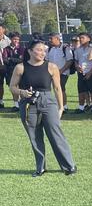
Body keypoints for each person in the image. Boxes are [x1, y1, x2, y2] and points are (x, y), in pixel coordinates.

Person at [9, 40, 76, 176]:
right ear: (30, 51)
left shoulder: (51, 66)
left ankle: (69, 166)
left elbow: (57, 88)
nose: (42, 53)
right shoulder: (20, 67)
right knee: (35, 136)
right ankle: (40, 167)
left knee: (55, 134)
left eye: (44, 50)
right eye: (39, 50)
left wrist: (61, 107)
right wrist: (22, 92)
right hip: (28, 103)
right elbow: (12, 87)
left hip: (48, 101)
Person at [46, 33, 74, 114]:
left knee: (61, 88)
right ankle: (57, 105)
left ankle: (64, 106)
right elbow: (47, 60)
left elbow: (70, 60)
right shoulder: (49, 49)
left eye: (51, 38)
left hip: (63, 73)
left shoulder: (65, 48)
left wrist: (61, 70)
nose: (49, 40)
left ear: (57, 39)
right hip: (51, 73)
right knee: (54, 88)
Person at [74, 32, 92, 113]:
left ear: (88, 39)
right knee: (81, 91)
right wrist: (77, 66)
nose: (81, 39)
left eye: (83, 38)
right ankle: (81, 108)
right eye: (80, 38)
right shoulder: (78, 49)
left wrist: (90, 73)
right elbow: (76, 60)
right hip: (81, 72)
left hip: (91, 73)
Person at [3, 32, 25, 111]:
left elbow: (21, 60)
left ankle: (23, 104)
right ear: (11, 39)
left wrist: (11, 59)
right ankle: (16, 105)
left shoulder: (21, 49)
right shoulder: (6, 49)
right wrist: (15, 60)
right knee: (13, 88)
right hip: (10, 72)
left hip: (21, 72)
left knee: (22, 88)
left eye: (17, 39)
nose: (16, 41)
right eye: (14, 39)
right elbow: (5, 60)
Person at [0, 24, 12, 108]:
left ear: (3, 30)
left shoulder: (8, 41)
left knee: (11, 84)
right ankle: (1, 102)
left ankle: (17, 103)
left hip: (7, 66)